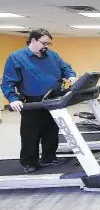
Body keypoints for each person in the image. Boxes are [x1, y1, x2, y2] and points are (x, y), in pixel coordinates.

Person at [1, 29, 77, 173]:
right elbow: (7, 82)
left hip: (54, 99)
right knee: (31, 133)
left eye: (49, 43)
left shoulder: (52, 55)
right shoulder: (16, 57)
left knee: (52, 130)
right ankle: (29, 162)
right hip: (32, 101)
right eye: (44, 43)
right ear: (33, 40)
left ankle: (49, 157)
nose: (46, 46)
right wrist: (12, 98)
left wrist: (70, 75)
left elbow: (65, 67)